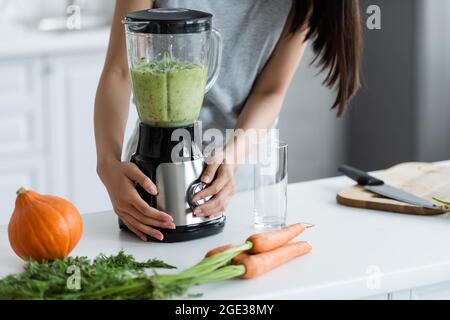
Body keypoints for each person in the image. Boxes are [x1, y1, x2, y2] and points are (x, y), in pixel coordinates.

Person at [94, 0, 362, 241]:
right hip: (147, 186)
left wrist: (231, 159)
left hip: (240, 185)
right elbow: (119, 72)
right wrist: (108, 163)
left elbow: (270, 91)